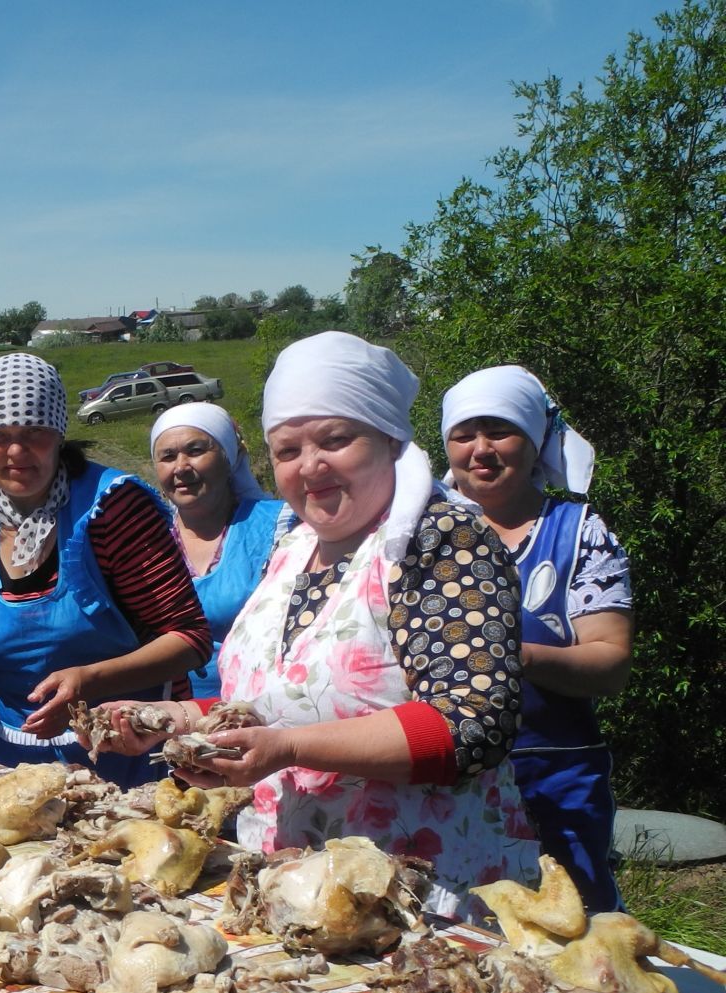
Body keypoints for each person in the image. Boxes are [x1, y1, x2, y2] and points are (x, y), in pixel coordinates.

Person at [93, 332, 539, 918]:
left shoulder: (442, 540)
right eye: (286, 450)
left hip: (417, 897)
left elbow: (471, 726)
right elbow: (273, 704)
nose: (310, 466)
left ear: (387, 437)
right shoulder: (294, 548)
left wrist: (288, 749)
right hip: (296, 889)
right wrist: (172, 720)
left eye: (335, 440)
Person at [0, 352, 210, 781]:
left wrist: (88, 681)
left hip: (126, 748)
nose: (16, 451)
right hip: (8, 754)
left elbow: (189, 638)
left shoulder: (111, 510)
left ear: (59, 431)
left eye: (34, 432)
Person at [441, 365, 631, 910]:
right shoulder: (420, 532)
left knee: (576, 931)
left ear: (534, 439)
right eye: (464, 434)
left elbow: (611, 663)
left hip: (556, 778)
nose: (481, 449)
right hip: (448, 780)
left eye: (499, 431)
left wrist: (506, 655)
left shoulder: (579, 534)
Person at [148, 402, 289, 698]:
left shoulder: (278, 525)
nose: (181, 467)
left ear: (229, 458)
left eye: (196, 451)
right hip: (164, 716)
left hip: (254, 710)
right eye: (168, 456)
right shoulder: (146, 537)